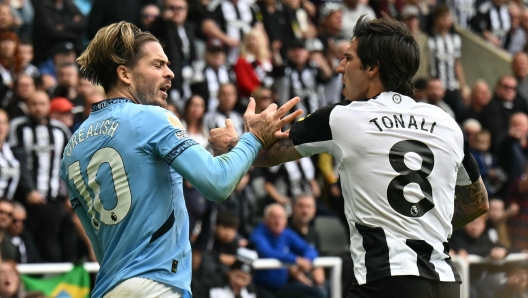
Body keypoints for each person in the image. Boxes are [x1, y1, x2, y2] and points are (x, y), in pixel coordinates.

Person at [223, 14, 489, 297]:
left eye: (348, 59)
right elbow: (477, 204)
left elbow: (263, 156)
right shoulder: (447, 123)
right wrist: (421, 226)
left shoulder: (343, 118)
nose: (339, 68)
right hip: (446, 283)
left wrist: (231, 143)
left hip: (386, 283)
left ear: (372, 68)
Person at [59, 21, 301, 297]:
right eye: (157, 65)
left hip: (109, 288)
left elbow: (101, 246)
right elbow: (217, 182)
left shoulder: (72, 149)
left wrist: (230, 153)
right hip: (157, 284)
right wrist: (254, 138)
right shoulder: (150, 118)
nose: (170, 73)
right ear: (124, 74)